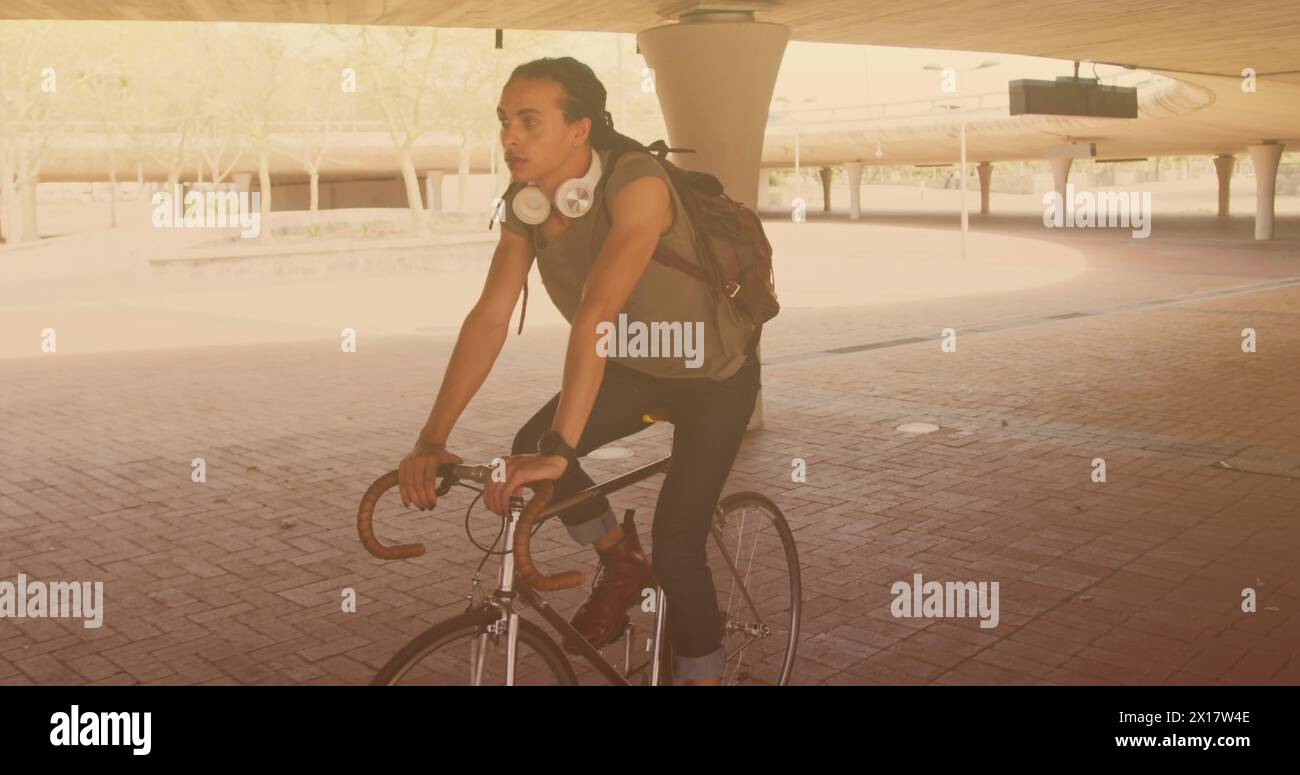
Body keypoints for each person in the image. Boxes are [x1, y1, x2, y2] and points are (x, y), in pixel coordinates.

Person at [397, 56, 761, 685]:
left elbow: (597, 310)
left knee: (678, 548)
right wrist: (433, 437)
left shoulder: (638, 185)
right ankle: (621, 562)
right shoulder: (528, 204)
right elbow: (490, 316)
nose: (510, 135)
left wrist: (562, 451)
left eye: (529, 120)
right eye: (505, 119)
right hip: (637, 366)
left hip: (712, 375)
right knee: (528, 448)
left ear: (580, 129)